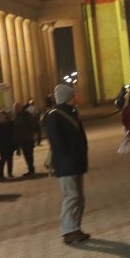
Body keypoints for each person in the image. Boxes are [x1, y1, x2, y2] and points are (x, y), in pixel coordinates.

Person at [45, 84, 90, 244]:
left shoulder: (71, 112)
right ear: (68, 97)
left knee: (79, 198)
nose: (77, 97)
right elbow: (56, 142)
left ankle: (75, 228)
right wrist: (69, 156)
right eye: (74, 95)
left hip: (76, 161)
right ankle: (68, 230)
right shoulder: (54, 115)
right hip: (66, 163)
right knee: (71, 196)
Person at [12, 102, 41, 175]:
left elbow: (33, 124)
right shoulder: (16, 116)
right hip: (22, 139)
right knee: (26, 155)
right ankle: (30, 168)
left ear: (20, 108)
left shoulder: (26, 115)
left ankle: (31, 169)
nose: (15, 110)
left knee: (29, 154)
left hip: (28, 139)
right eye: (14, 108)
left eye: (16, 108)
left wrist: (34, 133)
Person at [0, 110, 15, 180]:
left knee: (10, 159)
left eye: (3, 115)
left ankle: (10, 173)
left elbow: (13, 134)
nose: (2, 117)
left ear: (6, 116)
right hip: (2, 145)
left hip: (9, 144)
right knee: (2, 160)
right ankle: (1, 175)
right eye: (1, 116)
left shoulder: (10, 123)